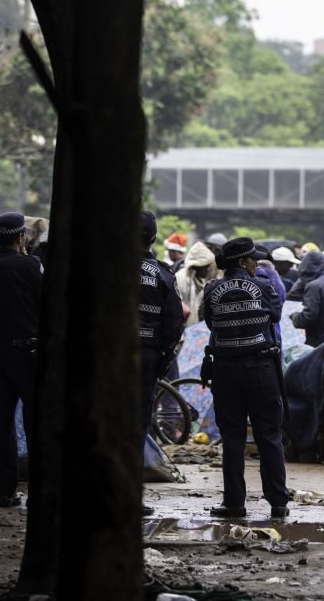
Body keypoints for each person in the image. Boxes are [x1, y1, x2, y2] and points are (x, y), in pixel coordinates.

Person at [203, 237, 289, 519]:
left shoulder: (212, 290)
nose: (256, 263)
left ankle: (234, 503)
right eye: (253, 259)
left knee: (233, 439)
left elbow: (210, 322)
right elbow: (275, 315)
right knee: (269, 437)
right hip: (261, 371)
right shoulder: (264, 287)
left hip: (226, 373)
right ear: (242, 262)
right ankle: (278, 503)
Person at [0, 212, 42, 508]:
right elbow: (42, 303)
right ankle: (40, 489)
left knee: (3, 423)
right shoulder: (30, 266)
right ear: (20, 236)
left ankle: (4, 492)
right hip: (28, 353)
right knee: (35, 420)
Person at [136, 211, 185, 516]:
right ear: (153, 238)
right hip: (146, 358)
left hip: (109, 360)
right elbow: (174, 325)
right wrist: (162, 359)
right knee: (139, 425)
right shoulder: (164, 274)